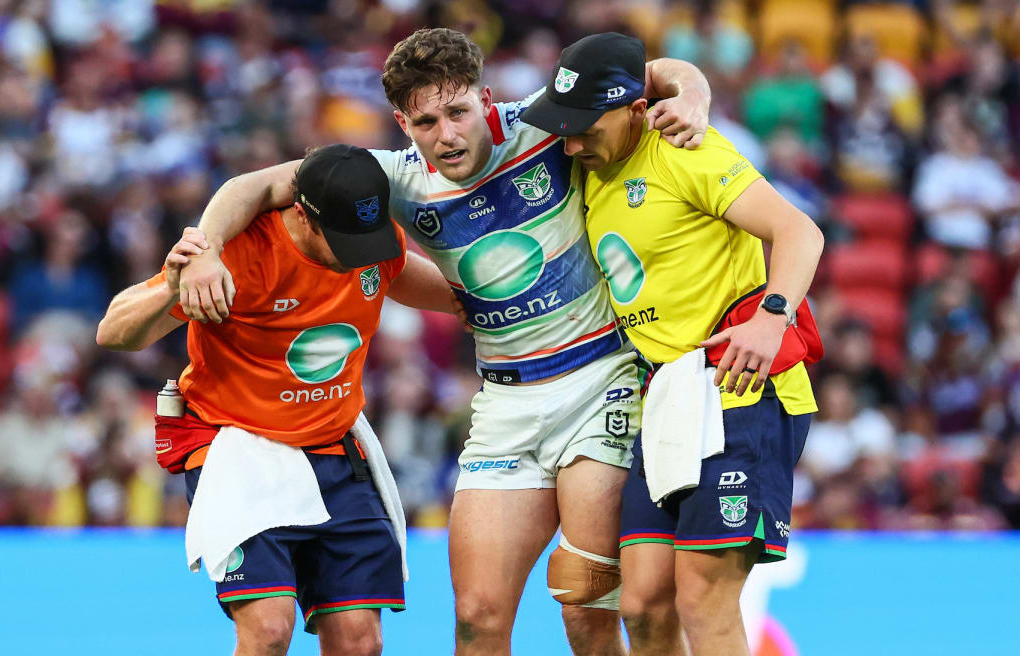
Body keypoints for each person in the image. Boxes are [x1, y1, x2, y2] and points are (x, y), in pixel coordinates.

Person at [173, 28, 712, 656]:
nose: (447, 134)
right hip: (505, 403)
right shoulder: (394, 177)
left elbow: (654, 72)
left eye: (459, 112)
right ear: (403, 122)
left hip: (601, 379)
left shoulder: (542, 124)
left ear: (485, 99)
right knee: (477, 620)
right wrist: (204, 248)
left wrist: (694, 100)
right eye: (426, 121)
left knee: (587, 601)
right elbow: (255, 186)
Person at [522, 33, 824, 656]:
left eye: (584, 128)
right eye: (564, 126)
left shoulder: (686, 150)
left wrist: (773, 316)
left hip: (737, 388)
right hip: (665, 399)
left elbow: (799, 231)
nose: (571, 142)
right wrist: (688, 80)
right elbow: (654, 69)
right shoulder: (590, 167)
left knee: (703, 599)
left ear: (634, 109)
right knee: (643, 603)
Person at [96, 144, 463, 656]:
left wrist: (488, 299)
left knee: (360, 641)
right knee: (268, 631)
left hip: (336, 445)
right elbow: (114, 332)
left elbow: (420, 283)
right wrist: (170, 289)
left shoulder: (369, 238)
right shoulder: (244, 254)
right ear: (303, 215)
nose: (362, 253)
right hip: (239, 446)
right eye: (346, 242)